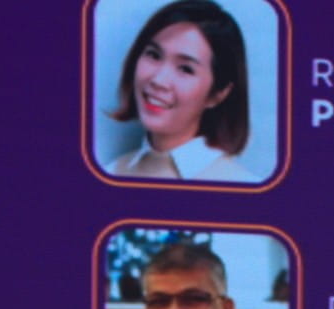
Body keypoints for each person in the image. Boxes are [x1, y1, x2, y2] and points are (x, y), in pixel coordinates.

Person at [103, 0, 256, 182]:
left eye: (185, 69)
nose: (158, 80)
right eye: (154, 55)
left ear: (218, 94)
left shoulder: (241, 184)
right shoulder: (110, 172)